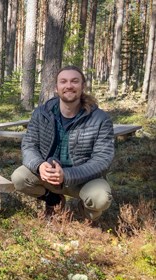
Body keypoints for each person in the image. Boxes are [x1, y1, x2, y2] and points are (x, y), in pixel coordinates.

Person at [11, 65, 114, 221]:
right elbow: (29, 145)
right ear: (56, 87)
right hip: (50, 176)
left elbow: (102, 160)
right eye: (63, 81)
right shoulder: (42, 113)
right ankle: (53, 199)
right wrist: (39, 165)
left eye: (74, 81)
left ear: (82, 86)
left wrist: (66, 175)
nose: (69, 86)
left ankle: (84, 210)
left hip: (84, 178)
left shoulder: (100, 119)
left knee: (100, 198)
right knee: (19, 178)